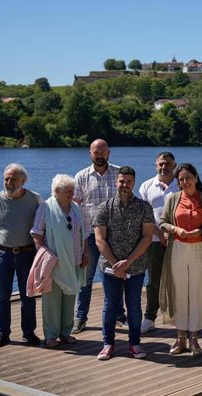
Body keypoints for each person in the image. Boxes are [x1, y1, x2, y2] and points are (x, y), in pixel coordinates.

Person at [93, 166, 155, 361]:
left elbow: (147, 237)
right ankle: (108, 344)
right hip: (109, 268)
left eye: (128, 182)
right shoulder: (104, 208)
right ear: (116, 182)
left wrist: (128, 262)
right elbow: (99, 240)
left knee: (134, 306)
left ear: (134, 183)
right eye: (122, 181)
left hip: (135, 267)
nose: (125, 185)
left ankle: (134, 344)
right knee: (110, 305)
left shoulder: (144, 207)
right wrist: (115, 264)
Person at [158, 163, 202, 358]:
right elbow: (162, 222)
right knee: (179, 292)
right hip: (178, 249)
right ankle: (180, 337)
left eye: (188, 178)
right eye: (181, 179)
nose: (185, 182)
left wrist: (201, 231)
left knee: (197, 291)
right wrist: (176, 230)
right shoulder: (173, 199)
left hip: (199, 249)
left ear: (196, 177)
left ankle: (194, 338)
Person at [0, 163, 43, 348]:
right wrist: (2, 237)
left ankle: (28, 333)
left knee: (28, 296)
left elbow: (42, 222)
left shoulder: (35, 199)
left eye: (13, 179)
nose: (8, 182)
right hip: (3, 255)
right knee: (3, 296)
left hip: (27, 254)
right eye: (6, 179)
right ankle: (2, 334)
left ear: (23, 181)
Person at [31, 174, 88, 348]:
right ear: (56, 191)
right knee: (52, 301)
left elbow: (84, 233)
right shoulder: (45, 207)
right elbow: (36, 233)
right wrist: (43, 252)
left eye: (72, 190)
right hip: (54, 262)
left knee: (70, 297)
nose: (71, 194)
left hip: (74, 261)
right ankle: (50, 335)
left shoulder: (76, 208)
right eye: (67, 191)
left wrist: (86, 253)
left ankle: (65, 333)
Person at [72, 139, 123, 334]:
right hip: (90, 237)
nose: (99, 155)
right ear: (90, 153)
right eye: (96, 152)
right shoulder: (81, 177)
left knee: (117, 276)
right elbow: (74, 208)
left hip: (114, 236)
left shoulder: (119, 174)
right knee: (85, 279)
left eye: (103, 151)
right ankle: (80, 317)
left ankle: (119, 315)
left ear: (109, 153)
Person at [139, 152, 179, 335]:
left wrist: (171, 234)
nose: (165, 167)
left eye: (168, 164)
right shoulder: (147, 186)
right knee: (153, 281)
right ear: (156, 165)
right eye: (161, 164)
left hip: (179, 240)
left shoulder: (181, 184)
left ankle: (180, 317)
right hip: (153, 241)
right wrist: (159, 234)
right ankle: (149, 317)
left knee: (179, 280)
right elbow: (143, 215)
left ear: (174, 165)